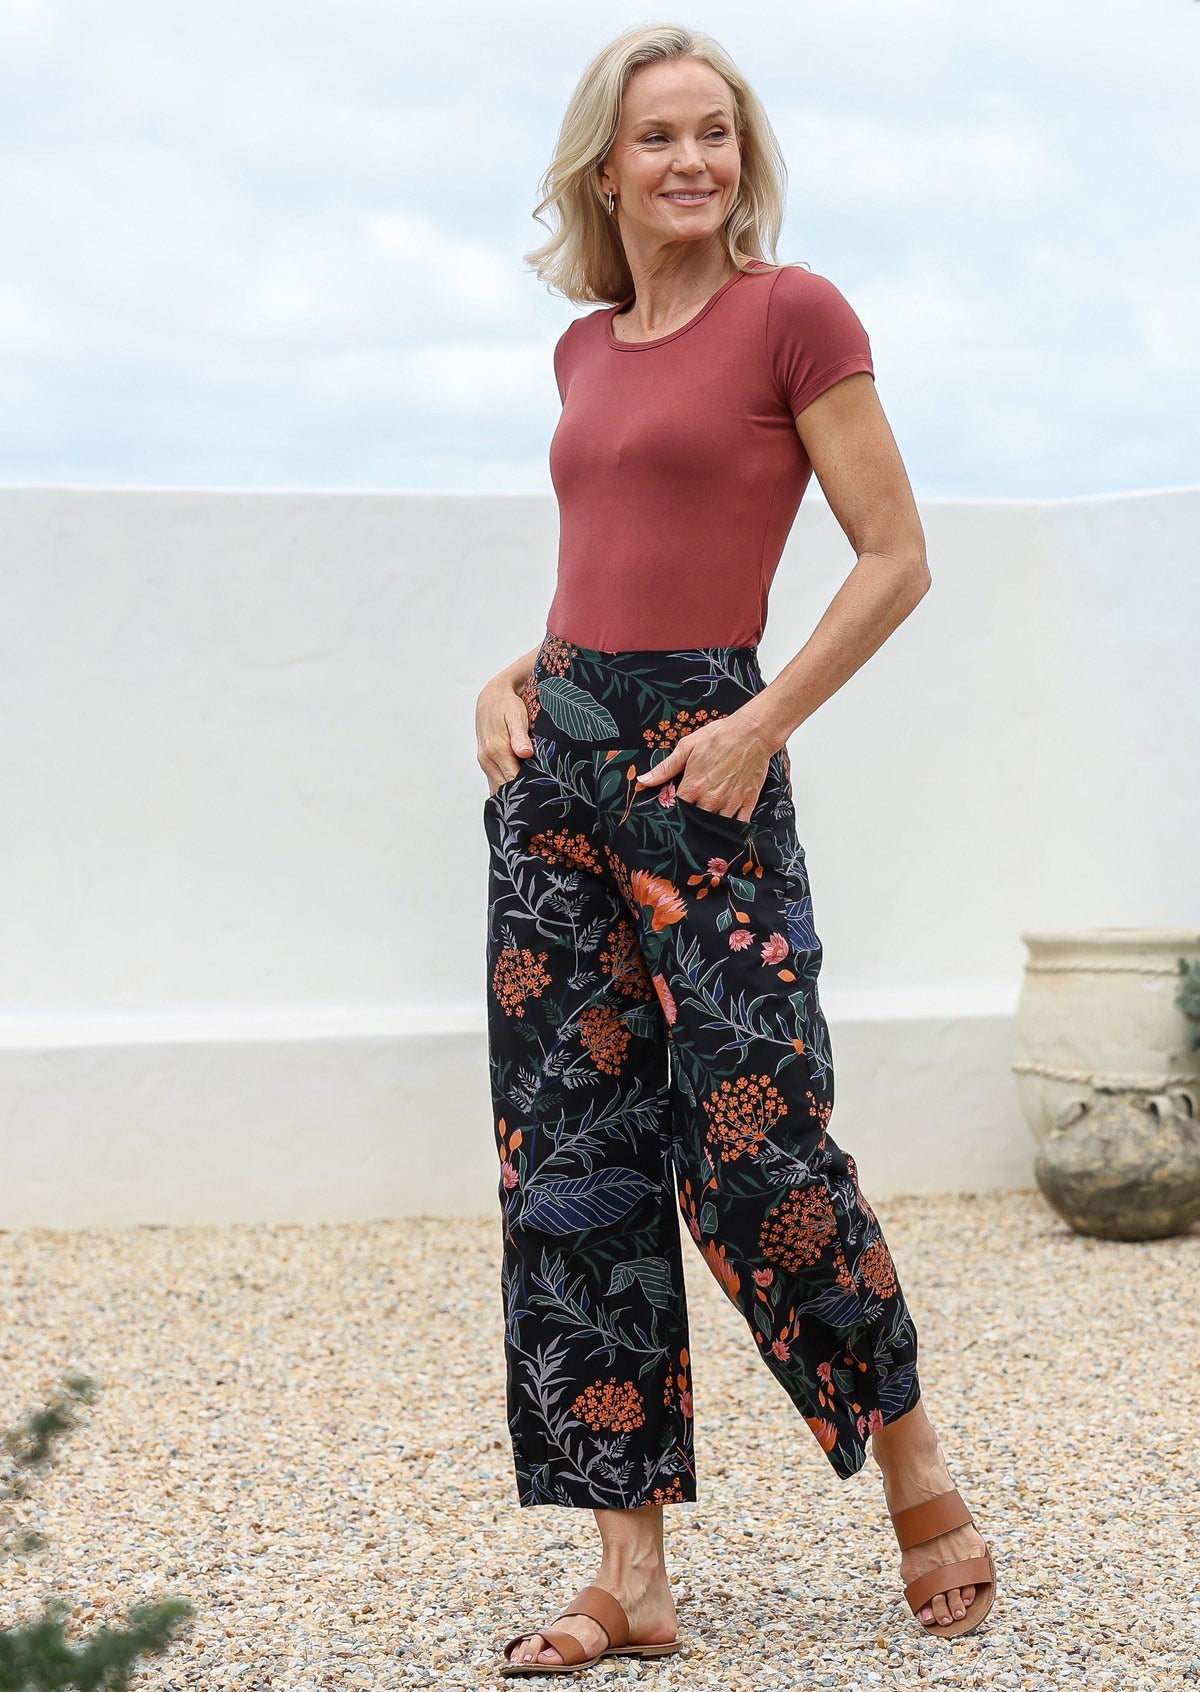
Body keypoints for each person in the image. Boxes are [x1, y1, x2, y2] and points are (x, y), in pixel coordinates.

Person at [475, 23, 997, 1675]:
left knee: (761, 1146)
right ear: (604, 168)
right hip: (559, 767)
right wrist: (515, 675)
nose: (693, 159)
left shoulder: (796, 315)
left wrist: (762, 724)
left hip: (711, 764)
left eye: (717, 132)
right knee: (572, 1167)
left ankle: (914, 1468)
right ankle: (628, 1573)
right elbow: (612, 558)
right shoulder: (581, 348)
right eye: (660, 137)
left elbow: (895, 557)